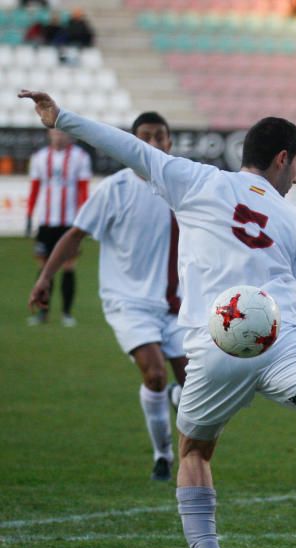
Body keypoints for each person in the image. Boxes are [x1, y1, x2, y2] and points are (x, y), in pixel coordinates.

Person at [19, 89, 296, 548]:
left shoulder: (196, 180)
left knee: (193, 452)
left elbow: (129, 148)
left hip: (219, 344)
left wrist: (60, 117)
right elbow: (294, 288)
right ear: (281, 159)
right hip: (281, 337)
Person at [29, 112, 187, 483]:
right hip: (128, 302)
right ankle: (163, 455)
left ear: (169, 143)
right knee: (153, 373)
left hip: (177, 304)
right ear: (129, 144)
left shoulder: (183, 185)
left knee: (194, 386)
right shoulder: (114, 189)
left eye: (159, 137)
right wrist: (45, 278)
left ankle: (188, 436)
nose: (152, 144)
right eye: (143, 137)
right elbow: (74, 235)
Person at [26, 128, 92, 327]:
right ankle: (42, 313)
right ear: (49, 135)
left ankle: (66, 313)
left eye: (62, 133)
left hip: (69, 224)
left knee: (69, 267)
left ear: (70, 135)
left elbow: (83, 191)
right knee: (44, 267)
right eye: (55, 133)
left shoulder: (80, 157)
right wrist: (29, 215)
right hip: (46, 222)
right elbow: (35, 189)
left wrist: (84, 219)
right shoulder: (39, 158)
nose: (59, 136)